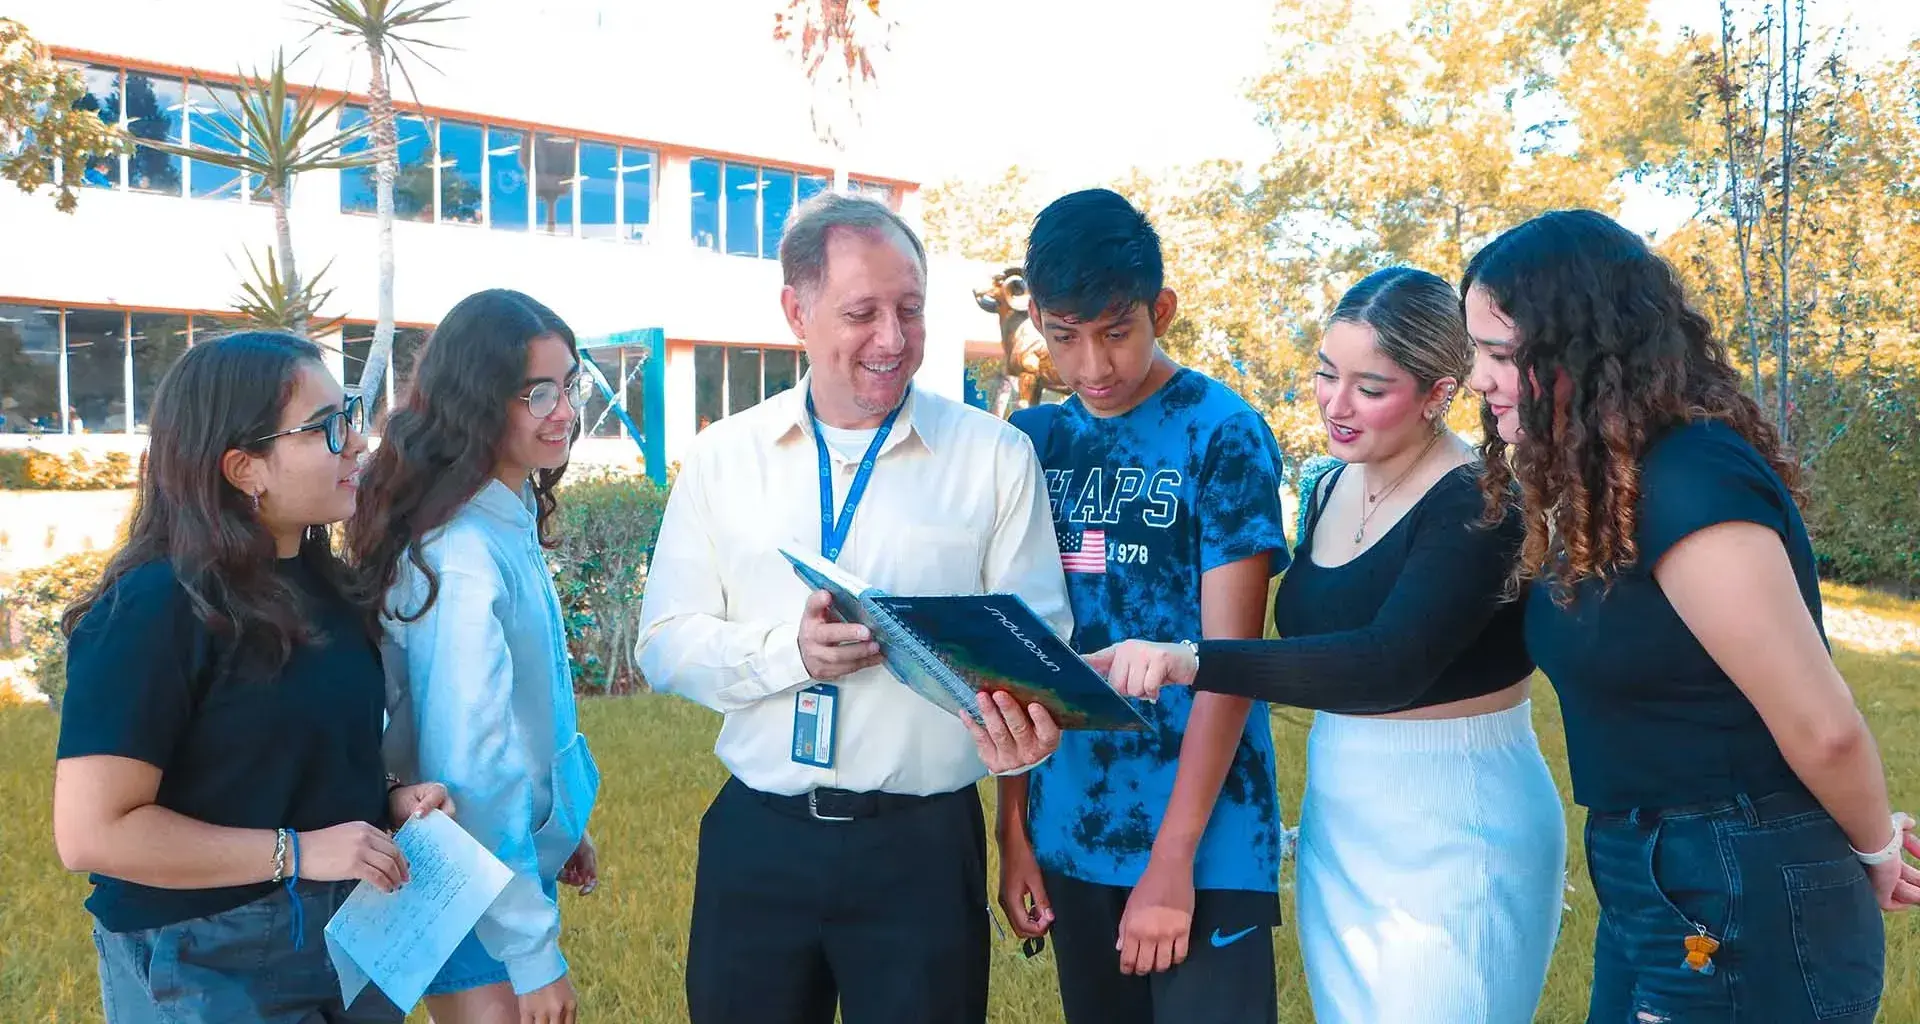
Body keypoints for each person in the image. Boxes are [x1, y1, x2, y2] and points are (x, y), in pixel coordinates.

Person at [1462, 208, 1920, 1022]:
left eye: (1502, 354)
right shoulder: (1611, 485)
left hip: (1743, 873)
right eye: (1477, 353)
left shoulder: (1689, 479)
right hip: (1658, 870)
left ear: (1587, 348)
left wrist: (1876, 846)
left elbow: (1825, 725)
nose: (1480, 379)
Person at [634, 192, 1067, 1024]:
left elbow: (1038, 648)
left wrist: (1026, 722)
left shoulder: (993, 458)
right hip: (758, 841)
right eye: (862, 313)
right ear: (796, 311)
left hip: (922, 848)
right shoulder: (726, 458)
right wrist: (786, 655)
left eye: (911, 310)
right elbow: (664, 643)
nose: (894, 340)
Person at [1092, 267, 1568, 1023]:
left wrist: (1194, 659)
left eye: (1370, 388)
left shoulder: (1483, 503)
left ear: (1441, 393)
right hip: (1341, 815)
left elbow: (1386, 664)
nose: (1336, 405)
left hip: (1456, 823)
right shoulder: (1323, 485)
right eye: (1325, 374)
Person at [51, 331, 452, 1024]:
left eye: (349, 416)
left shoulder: (325, 588)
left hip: (352, 933)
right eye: (327, 428)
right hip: (207, 956)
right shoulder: (155, 607)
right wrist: (296, 853)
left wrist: (386, 801)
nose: (357, 443)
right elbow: (92, 832)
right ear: (245, 469)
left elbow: (269, 761)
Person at [993, 188, 1290, 1024]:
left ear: (1161, 309)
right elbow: (1019, 654)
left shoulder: (1221, 433)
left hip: (1207, 836)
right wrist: (1013, 831)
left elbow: (1233, 665)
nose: (1091, 366)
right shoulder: (1036, 442)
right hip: (1072, 825)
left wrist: (1173, 862)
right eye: (1064, 338)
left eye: (1116, 333)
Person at [348, 289, 601, 1024]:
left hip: (498, 863)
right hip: (466, 879)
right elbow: (472, 761)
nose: (564, 410)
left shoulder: (502, 513)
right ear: (479, 402)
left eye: (570, 385)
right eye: (538, 392)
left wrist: (558, 824)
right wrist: (531, 953)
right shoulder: (462, 553)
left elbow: (524, 714)